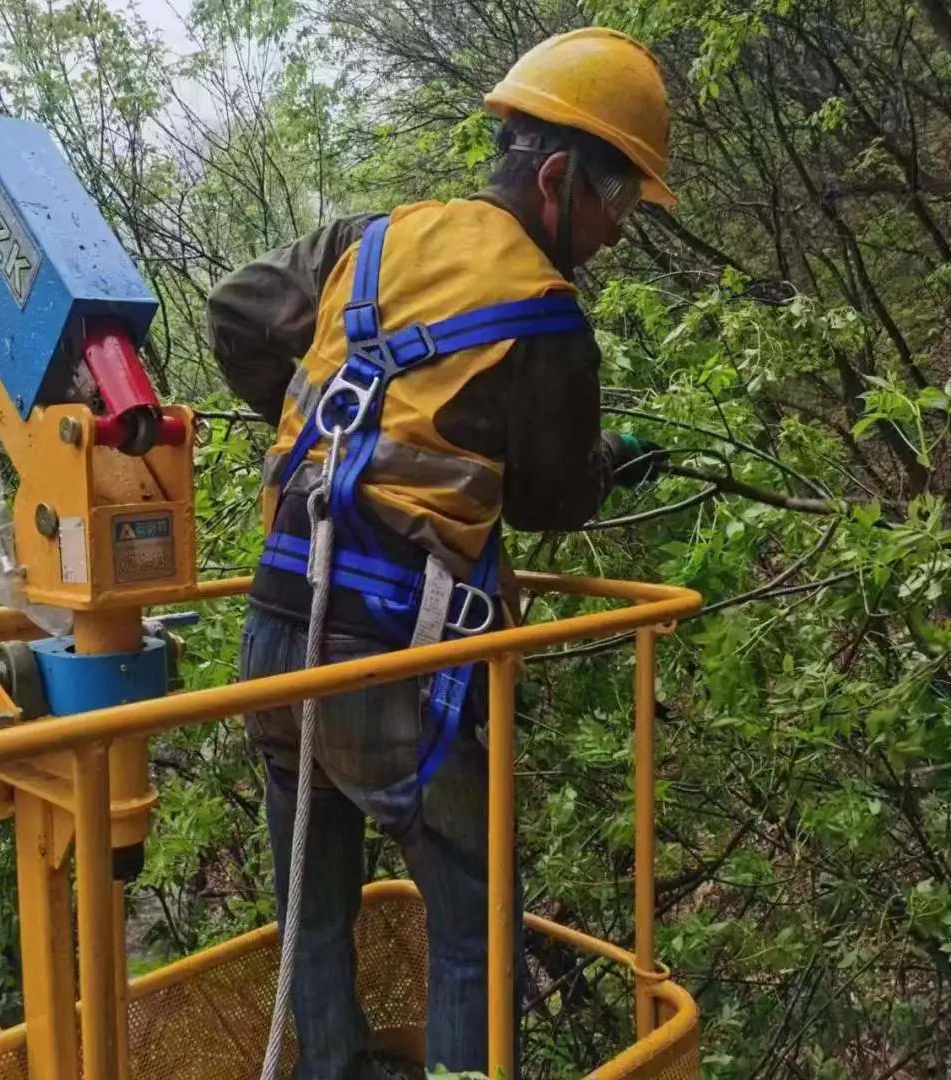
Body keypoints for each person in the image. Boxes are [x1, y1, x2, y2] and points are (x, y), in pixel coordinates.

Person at [207, 26, 674, 1079]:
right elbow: (553, 501)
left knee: (312, 916)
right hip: (395, 670)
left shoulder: (370, 241)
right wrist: (616, 459)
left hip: (276, 641)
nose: (614, 234)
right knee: (473, 928)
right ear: (556, 177)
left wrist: (315, 432)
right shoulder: (550, 323)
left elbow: (238, 310)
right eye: (617, 206)